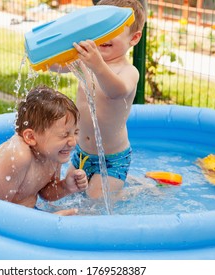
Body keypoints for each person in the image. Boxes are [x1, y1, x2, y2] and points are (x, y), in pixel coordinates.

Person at [55, 0, 146, 199]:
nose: (105, 35)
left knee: (96, 205)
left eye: (113, 30)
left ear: (134, 37)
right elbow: (57, 67)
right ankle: (123, 187)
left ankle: (136, 191)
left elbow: (117, 91)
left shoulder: (129, 71)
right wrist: (46, 56)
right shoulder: (86, 62)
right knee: (65, 194)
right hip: (81, 153)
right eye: (101, 28)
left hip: (112, 159)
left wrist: (97, 65)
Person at [0, 85, 88, 215]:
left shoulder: (54, 152)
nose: (73, 142)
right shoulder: (18, 156)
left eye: (76, 132)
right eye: (64, 135)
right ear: (31, 137)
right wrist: (46, 223)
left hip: (24, 216)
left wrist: (66, 187)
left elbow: (45, 192)